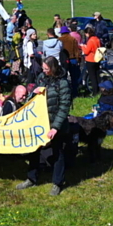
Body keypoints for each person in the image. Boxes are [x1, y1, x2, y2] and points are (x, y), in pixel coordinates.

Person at [16, 56, 72, 195]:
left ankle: (57, 183)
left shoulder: (63, 83)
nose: (44, 70)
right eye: (43, 68)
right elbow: (31, 100)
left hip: (55, 124)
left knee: (58, 152)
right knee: (34, 150)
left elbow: (64, 107)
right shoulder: (41, 78)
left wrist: (55, 127)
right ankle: (31, 178)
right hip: (39, 123)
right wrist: (33, 93)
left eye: (47, 69)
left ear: (53, 68)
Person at [80, 26, 102, 95]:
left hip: (90, 60)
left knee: (92, 77)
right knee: (97, 75)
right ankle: (100, 89)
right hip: (97, 59)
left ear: (88, 34)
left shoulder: (90, 41)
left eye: (86, 34)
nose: (85, 35)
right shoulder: (97, 39)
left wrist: (82, 46)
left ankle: (95, 92)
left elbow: (86, 52)